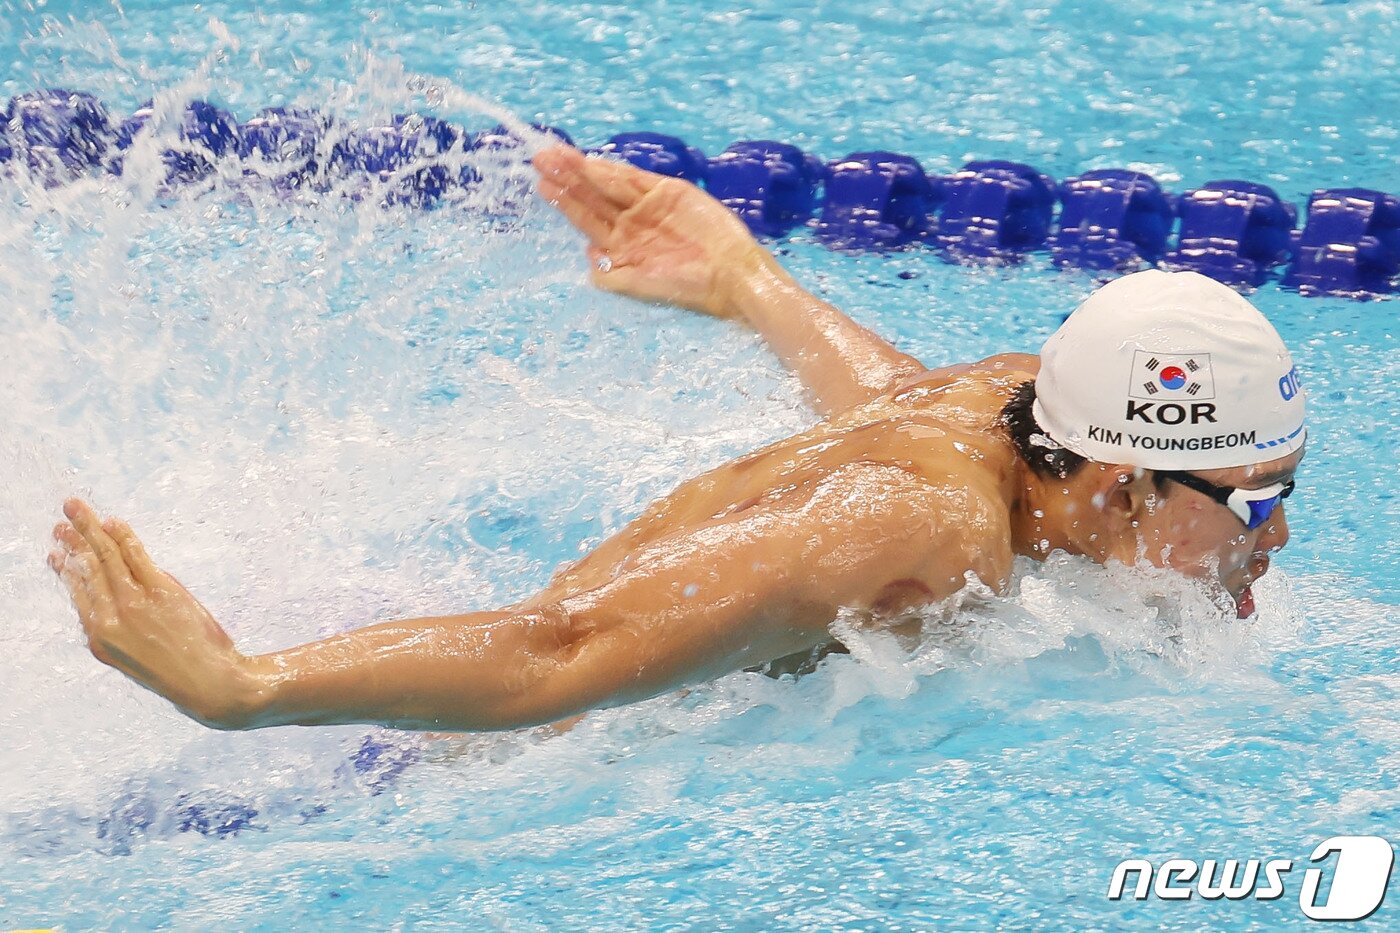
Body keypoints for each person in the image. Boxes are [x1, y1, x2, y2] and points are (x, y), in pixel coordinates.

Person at [47, 145, 1306, 733]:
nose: (1278, 533)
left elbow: (894, 406)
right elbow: (564, 649)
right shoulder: (924, 526)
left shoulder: (1030, 403)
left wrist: (748, 283)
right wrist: (247, 689)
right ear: (1126, 478)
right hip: (434, 750)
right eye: (1251, 500)